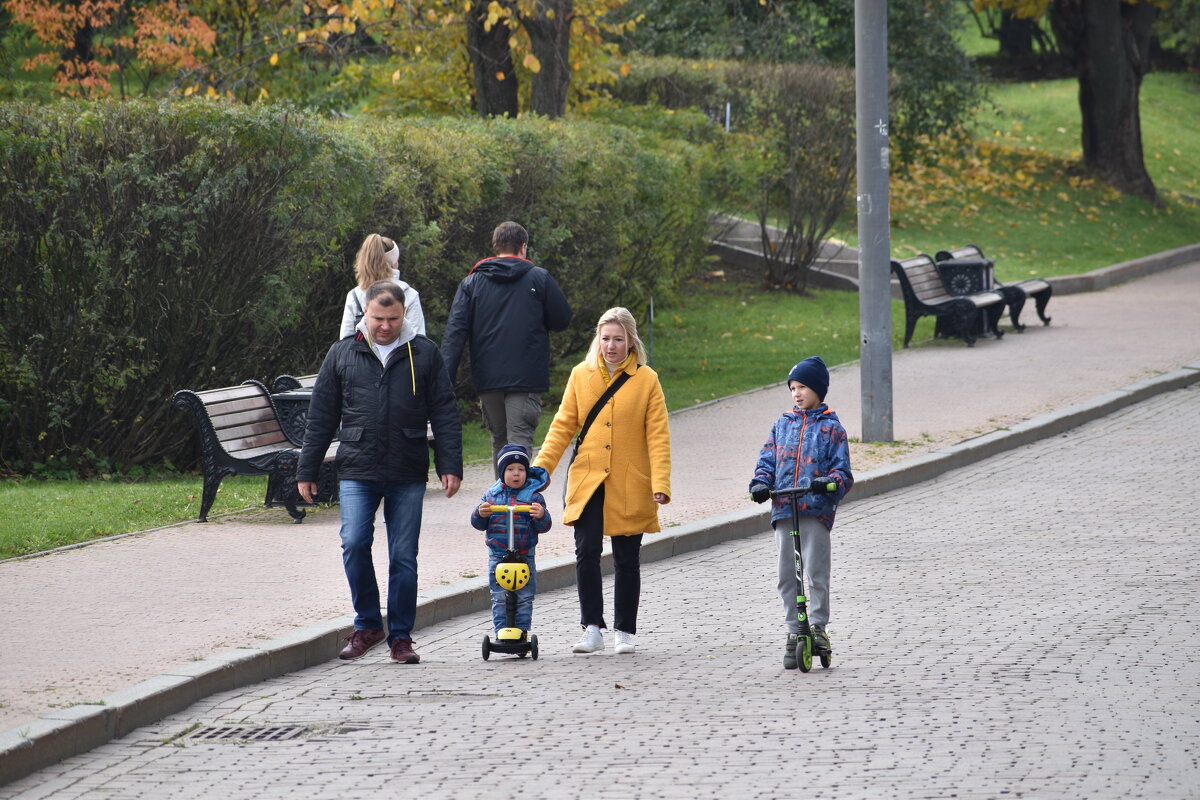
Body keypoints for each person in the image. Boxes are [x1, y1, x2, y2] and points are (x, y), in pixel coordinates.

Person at [297, 281, 462, 666]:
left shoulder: (424, 353)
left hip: (407, 467)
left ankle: (401, 637)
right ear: (364, 314)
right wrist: (308, 469)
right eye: (377, 318)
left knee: (403, 555)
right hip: (357, 465)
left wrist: (450, 465)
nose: (385, 326)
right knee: (354, 542)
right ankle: (368, 625)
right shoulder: (342, 352)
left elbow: (445, 411)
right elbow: (321, 416)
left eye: (392, 319)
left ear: (404, 315)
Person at [532, 307, 671, 655]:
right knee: (586, 551)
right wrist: (542, 468)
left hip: (630, 481)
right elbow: (563, 424)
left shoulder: (646, 380)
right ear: (598, 339)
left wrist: (661, 482)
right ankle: (591, 627)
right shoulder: (582, 375)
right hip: (588, 477)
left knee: (627, 557)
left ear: (630, 341)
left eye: (618, 339)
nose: (611, 346)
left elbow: (658, 436)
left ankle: (625, 630)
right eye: (605, 338)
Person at [747, 356, 853, 669]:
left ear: (818, 390)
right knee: (786, 576)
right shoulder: (782, 426)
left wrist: (829, 484)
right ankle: (795, 631)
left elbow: (843, 472)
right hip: (784, 509)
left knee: (816, 574)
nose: (796, 393)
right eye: (792, 387)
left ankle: (817, 627)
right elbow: (766, 461)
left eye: (803, 386)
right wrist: (760, 484)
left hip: (815, 511)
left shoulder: (832, 428)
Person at [440, 221, 572, 471]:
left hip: (488, 378)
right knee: (520, 446)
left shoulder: (472, 283)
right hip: (526, 377)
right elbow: (562, 320)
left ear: (496, 247)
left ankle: (501, 506)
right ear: (523, 247)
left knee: (499, 443)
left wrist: (443, 380)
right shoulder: (538, 278)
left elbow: (455, 334)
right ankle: (517, 508)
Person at [470, 443, 552, 637]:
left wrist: (541, 515)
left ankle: (522, 631)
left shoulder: (534, 497)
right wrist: (480, 513)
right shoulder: (492, 495)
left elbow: (544, 527)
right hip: (498, 554)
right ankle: (500, 631)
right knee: (499, 595)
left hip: (524, 555)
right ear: (501, 472)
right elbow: (478, 524)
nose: (516, 474)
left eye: (521, 469)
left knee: (524, 595)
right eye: (510, 469)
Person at [339, 233, 426, 338]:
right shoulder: (409, 294)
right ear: (394, 263)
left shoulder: (354, 295)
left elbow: (345, 339)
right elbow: (418, 339)